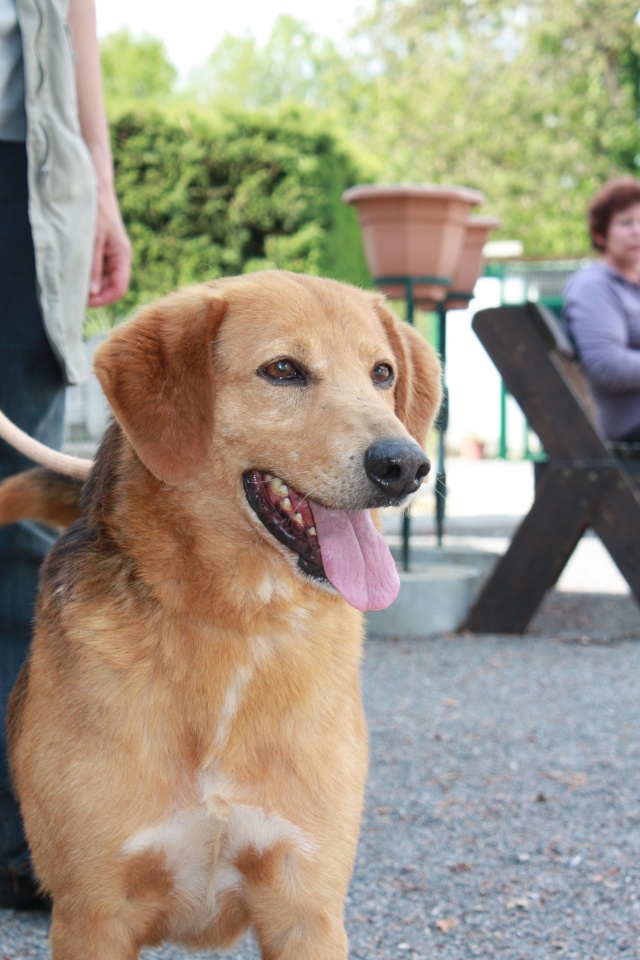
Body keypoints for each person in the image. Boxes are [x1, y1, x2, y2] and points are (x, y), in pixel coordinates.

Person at [0, 0, 131, 908]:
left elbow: (75, 18)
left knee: (13, 510)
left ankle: (21, 830)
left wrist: (105, 200)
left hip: (27, 175)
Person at [563, 176, 640, 442]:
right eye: (625, 223)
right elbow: (607, 365)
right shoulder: (594, 286)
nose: (637, 231)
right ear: (600, 234)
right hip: (628, 427)